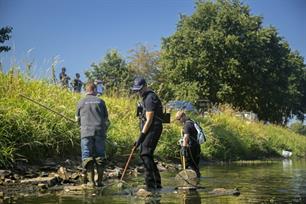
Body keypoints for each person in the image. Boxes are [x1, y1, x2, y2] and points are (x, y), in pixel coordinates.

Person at [132, 77, 163, 191]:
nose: (138, 92)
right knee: (146, 154)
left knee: (145, 153)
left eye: (140, 89)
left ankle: (151, 184)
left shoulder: (150, 98)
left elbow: (149, 120)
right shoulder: (144, 98)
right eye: (136, 90)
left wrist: (141, 137)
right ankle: (156, 183)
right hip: (149, 128)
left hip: (153, 128)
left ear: (145, 86)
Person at [75, 82, 109, 187]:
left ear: (86, 90)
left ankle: (90, 182)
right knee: (100, 156)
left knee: (87, 156)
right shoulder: (101, 101)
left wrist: (81, 125)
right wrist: (105, 130)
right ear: (94, 90)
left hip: (85, 132)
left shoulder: (80, 102)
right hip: (99, 132)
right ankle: (99, 182)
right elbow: (106, 121)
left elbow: (77, 120)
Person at [175, 111, 201, 177]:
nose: (179, 121)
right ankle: (197, 179)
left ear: (183, 116)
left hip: (190, 148)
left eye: (179, 119)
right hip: (196, 147)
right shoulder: (192, 122)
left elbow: (186, 137)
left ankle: (191, 181)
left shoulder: (187, 125)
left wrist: (184, 147)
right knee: (195, 166)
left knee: (190, 165)